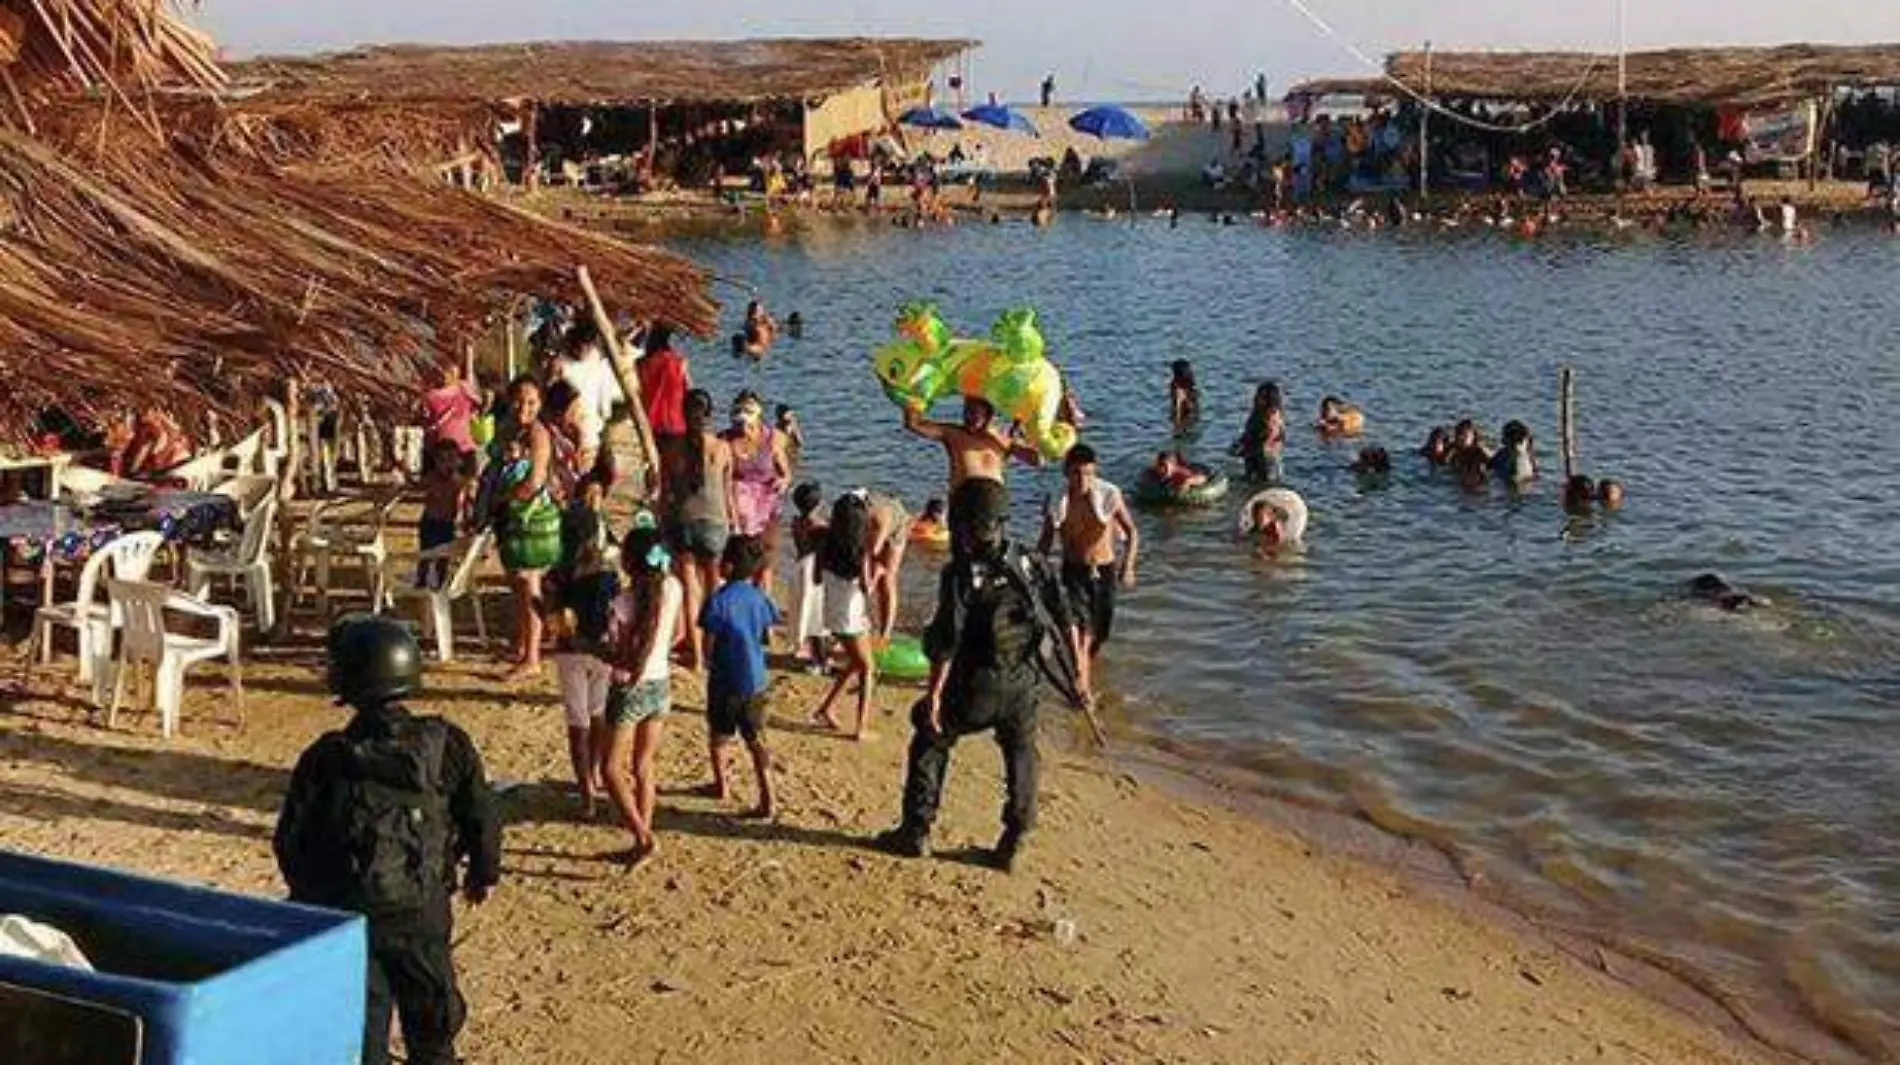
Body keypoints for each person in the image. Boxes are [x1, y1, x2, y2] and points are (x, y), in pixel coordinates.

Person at [274, 615, 501, 1065]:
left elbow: (291, 841)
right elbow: (481, 813)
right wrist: (482, 872)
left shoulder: (327, 756)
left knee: (363, 1029)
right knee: (432, 1023)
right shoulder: (446, 744)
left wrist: (313, 899)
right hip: (423, 907)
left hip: (349, 913)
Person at [875, 479, 1085, 871]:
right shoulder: (1030, 561)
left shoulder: (960, 574)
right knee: (1022, 751)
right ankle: (1015, 837)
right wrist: (1081, 676)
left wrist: (934, 696)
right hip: (1023, 682)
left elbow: (946, 639)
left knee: (930, 736)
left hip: (976, 685)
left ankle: (916, 829)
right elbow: (1067, 617)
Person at [603, 521, 684, 868]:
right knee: (643, 765)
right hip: (661, 684)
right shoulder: (675, 588)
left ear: (629, 564)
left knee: (609, 769)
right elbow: (679, 633)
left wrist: (581, 643)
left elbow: (617, 654)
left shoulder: (621, 603)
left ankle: (643, 836)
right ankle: (643, 832)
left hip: (629, 688)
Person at [1038, 445, 1138, 707]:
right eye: (1076, 474)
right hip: (1073, 569)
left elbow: (1132, 532)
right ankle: (1082, 687)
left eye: (1088, 474)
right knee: (1079, 629)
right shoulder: (1058, 499)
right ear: (1065, 473)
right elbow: (1047, 539)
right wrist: (1037, 567)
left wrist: (1128, 566)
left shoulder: (1108, 495)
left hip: (1104, 570)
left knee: (1099, 634)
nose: (1082, 480)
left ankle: (1082, 671)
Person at [699, 536, 781, 818]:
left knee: (718, 735)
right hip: (756, 680)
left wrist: (708, 661)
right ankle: (768, 798)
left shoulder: (718, 601)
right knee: (756, 740)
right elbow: (769, 635)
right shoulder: (760, 598)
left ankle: (721, 784)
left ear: (729, 566)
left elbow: (708, 645)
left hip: (725, 681)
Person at [663, 390, 735, 670]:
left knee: (690, 590)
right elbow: (727, 493)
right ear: (710, 415)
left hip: (683, 522)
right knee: (712, 589)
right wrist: (733, 523)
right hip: (715, 523)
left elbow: (665, 494)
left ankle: (696, 656)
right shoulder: (722, 448)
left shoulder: (672, 449)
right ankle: (713, 648)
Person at [548, 525, 618, 817]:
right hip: (602, 652)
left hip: (571, 652)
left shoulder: (558, 575)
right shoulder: (609, 577)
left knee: (578, 726)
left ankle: (586, 793)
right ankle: (596, 774)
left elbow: (553, 618)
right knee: (598, 713)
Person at [495, 376, 558, 681]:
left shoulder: (537, 434)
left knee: (530, 585)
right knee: (519, 586)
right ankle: (523, 645)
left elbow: (535, 480)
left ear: (541, 404)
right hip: (515, 520)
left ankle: (532, 657)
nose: (524, 407)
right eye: (519, 401)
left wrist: (504, 498)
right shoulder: (513, 431)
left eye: (532, 402)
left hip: (533, 521)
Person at [812, 492, 878, 741]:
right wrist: (879, 572)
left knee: (854, 662)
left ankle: (826, 708)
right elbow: (867, 588)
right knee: (867, 668)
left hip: (832, 612)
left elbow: (817, 578)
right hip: (851, 616)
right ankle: (860, 727)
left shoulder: (825, 544)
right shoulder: (860, 552)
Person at [902, 395, 1043, 495]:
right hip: (964, 495)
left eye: (974, 413)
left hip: (992, 499)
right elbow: (913, 424)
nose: (968, 417)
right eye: (966, 411)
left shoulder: (1002, 439)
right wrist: (912, 400)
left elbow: (1037, 460)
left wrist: (999, 434)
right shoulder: (953, 433)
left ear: (988, 416)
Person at [725, 390, 791, 593]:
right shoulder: (726, 440)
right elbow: (723, 479)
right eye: (739, 419)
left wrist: (784, 481)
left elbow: (786, 472)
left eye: (748, 420)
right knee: (738, 564)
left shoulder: (772, 438)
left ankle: (764, 610)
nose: (743, 428)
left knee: (765, 562)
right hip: (738, 511)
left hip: (767, 507)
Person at [636, 324, 691, 492]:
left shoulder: (641, 364)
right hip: (675, 424)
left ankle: (651, 499)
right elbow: (688, 390)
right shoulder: (679, 363)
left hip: (649, 422)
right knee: (672, 473)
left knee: (651, 468)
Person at [418, 440, 474, 589]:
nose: (447, 464)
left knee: (444, 558)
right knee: (425, 554)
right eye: (442, 460)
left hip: (447, 524)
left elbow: (467, 504)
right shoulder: (431, 478)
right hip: (430, 522)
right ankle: (421, 581)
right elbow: (419, 485)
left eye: (451, 459)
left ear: (458, 461)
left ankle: (440, 584)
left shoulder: (459, 483)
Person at [787, 482, 829, 671]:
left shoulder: (796, 522)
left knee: (805, 611)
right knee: (817, 617)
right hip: (815, 572)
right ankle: (820, 660)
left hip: (800, 568)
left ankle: (813, 654)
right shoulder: (818, 526)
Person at [419, 354, 482, 457]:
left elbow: (478, 406)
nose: (448, 376)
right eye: (448, 372)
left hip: (463, 447)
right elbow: (425, 421)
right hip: (442, 449)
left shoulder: (464, 388)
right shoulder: (431, 396)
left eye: (453, 373)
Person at [1233, 381, 1286, 482]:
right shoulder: (1258, 413)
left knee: (1265, 484)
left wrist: (1249, 450)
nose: (1255, 397)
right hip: (1253, 457)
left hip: (1265, 460)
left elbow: (1272, 439)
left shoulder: (1272, 415)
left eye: (1259, 395)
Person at [1491, 420, 1536, 484]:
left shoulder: (1523, 458)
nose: (1502, 440)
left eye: (1504, 437)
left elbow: (1518, 478)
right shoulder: (1503, 452)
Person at [1168, 360, 1201, 433]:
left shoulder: (1188, 389)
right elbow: (1178, 411)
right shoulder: (1181, 392)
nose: (1192, 373)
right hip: (1186, 427)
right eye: (1189, 370)